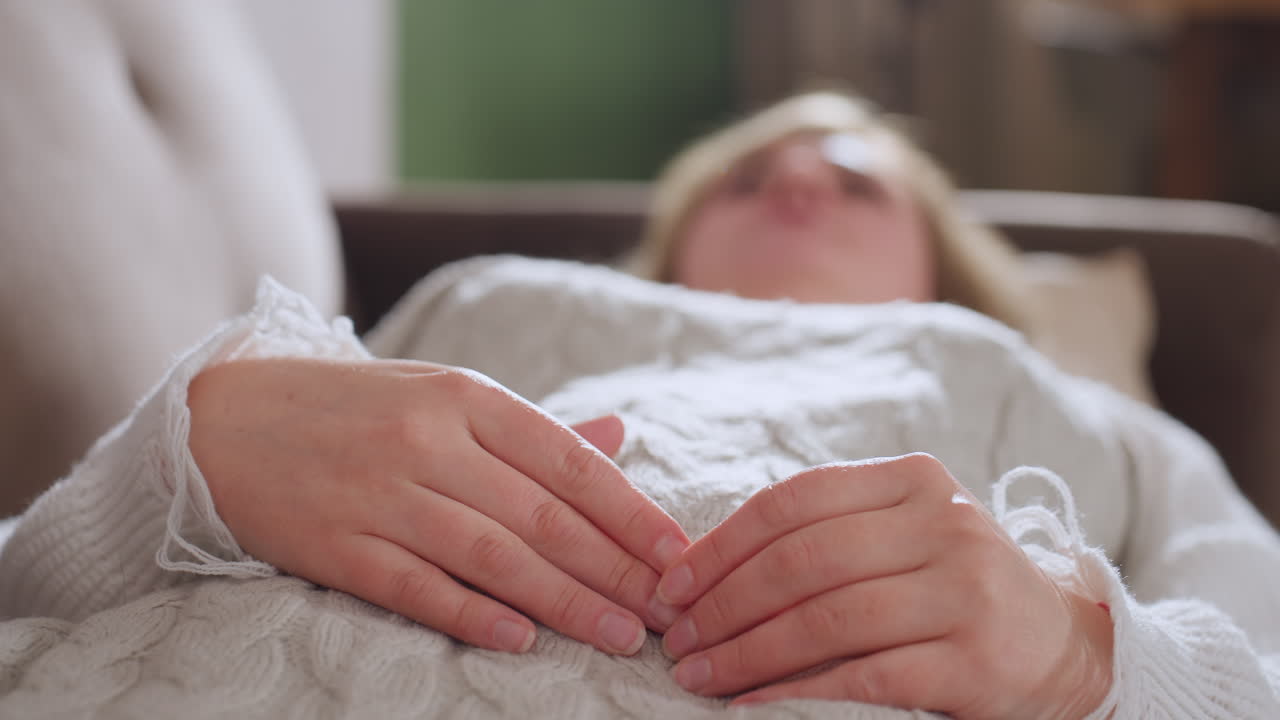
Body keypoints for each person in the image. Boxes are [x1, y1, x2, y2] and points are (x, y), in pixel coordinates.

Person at [0, 91, 1277, 719]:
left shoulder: (1044, 388)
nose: (797, 176)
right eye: (751, 173)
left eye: (855, 181)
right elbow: (34, 587)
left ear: (939, 272)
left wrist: (1084, 658)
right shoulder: (478, 304)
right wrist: (177, 468)